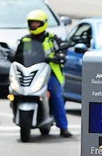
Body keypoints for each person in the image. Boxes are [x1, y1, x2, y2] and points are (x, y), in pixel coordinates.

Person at [13, 9, 72, 138]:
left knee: (56, 96)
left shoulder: (51, 39)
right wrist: (11, 56)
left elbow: (62, 49)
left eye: (36, 23)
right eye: (32, 23)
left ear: (43, 23)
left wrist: (60, 56)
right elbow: (18, 55)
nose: (34, 25)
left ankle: (63, 127)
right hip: (29, 72)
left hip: (49, 73)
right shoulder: (25, 40)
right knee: (15, 91)